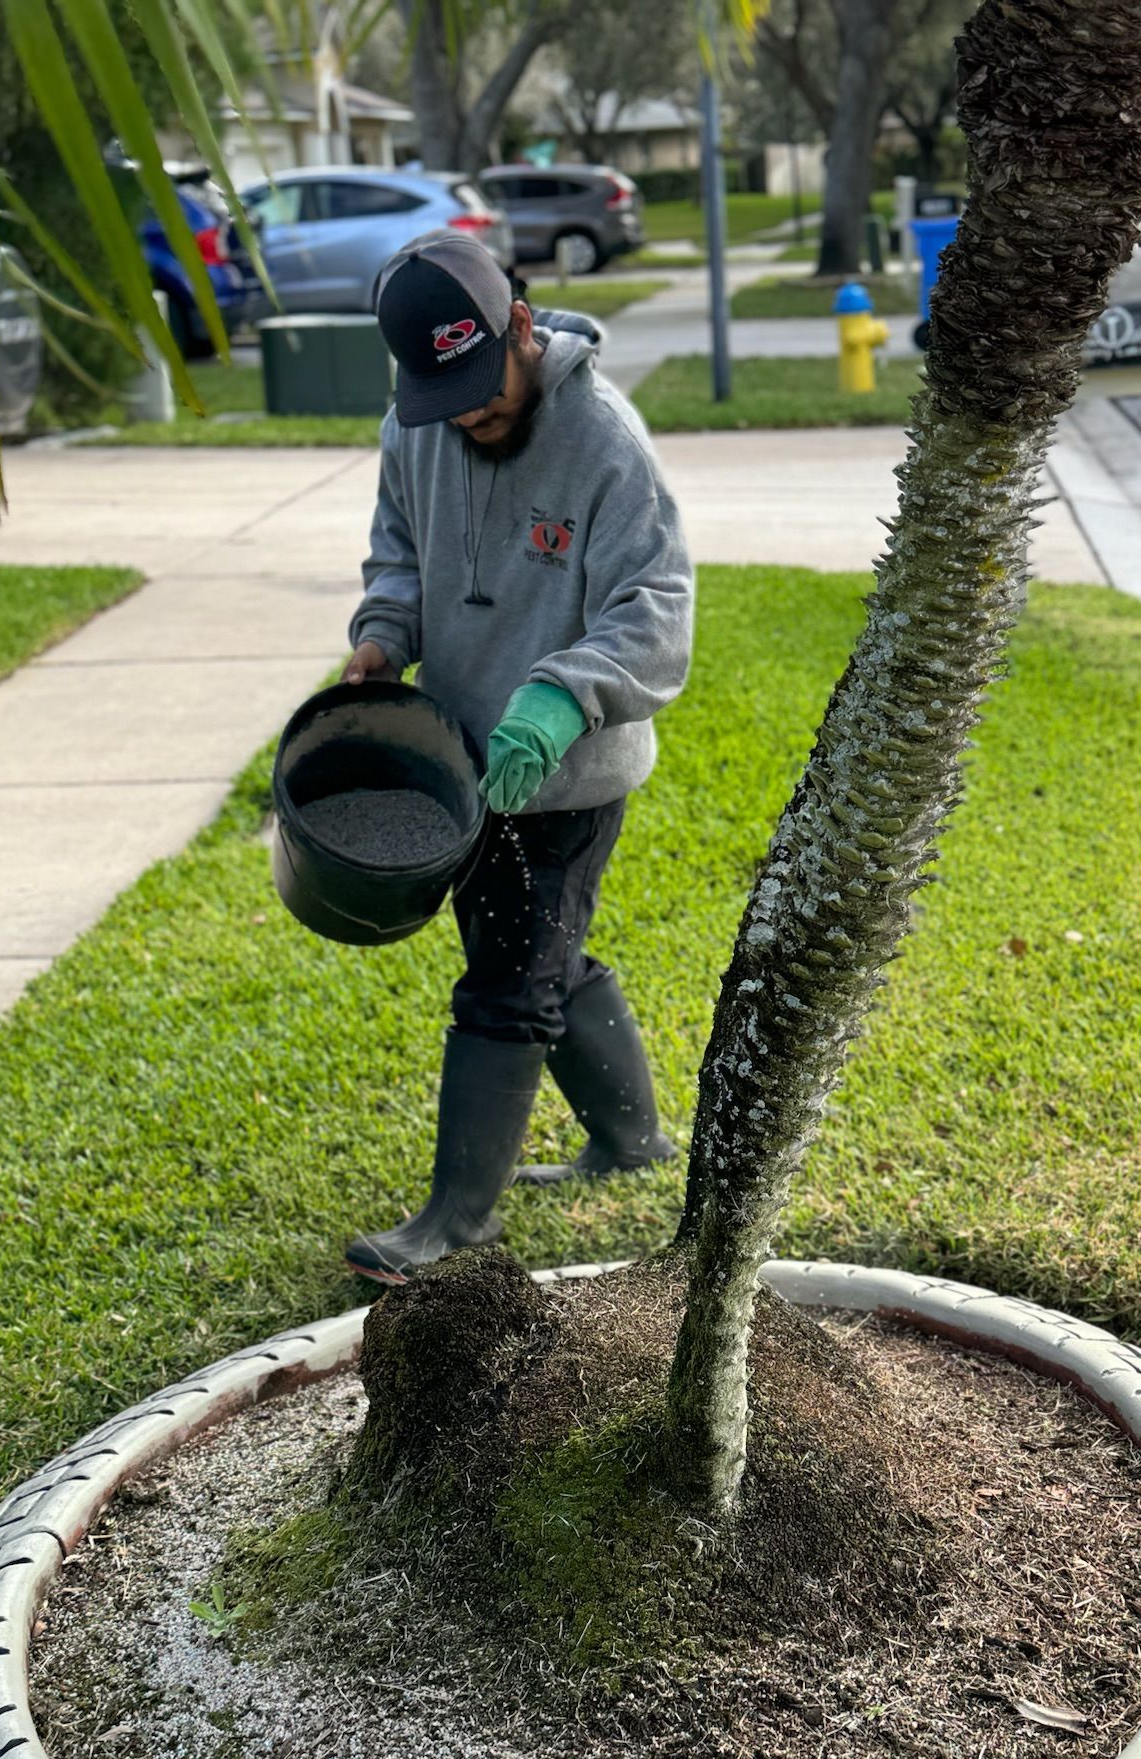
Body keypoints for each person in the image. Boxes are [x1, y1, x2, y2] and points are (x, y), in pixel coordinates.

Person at [340, 229, 694, 1284]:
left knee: (509, 976)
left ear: (522, 329)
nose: (466, 417)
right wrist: (380, 638)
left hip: (569, 772)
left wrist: (560, 695)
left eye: (480, 392)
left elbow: (658, 614)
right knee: (539, 949)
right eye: (441, 399)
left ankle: (456, 1217)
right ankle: (632, 1140)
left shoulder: (607, 444)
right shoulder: (422, 418)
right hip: (458, 760)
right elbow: (399, 549)